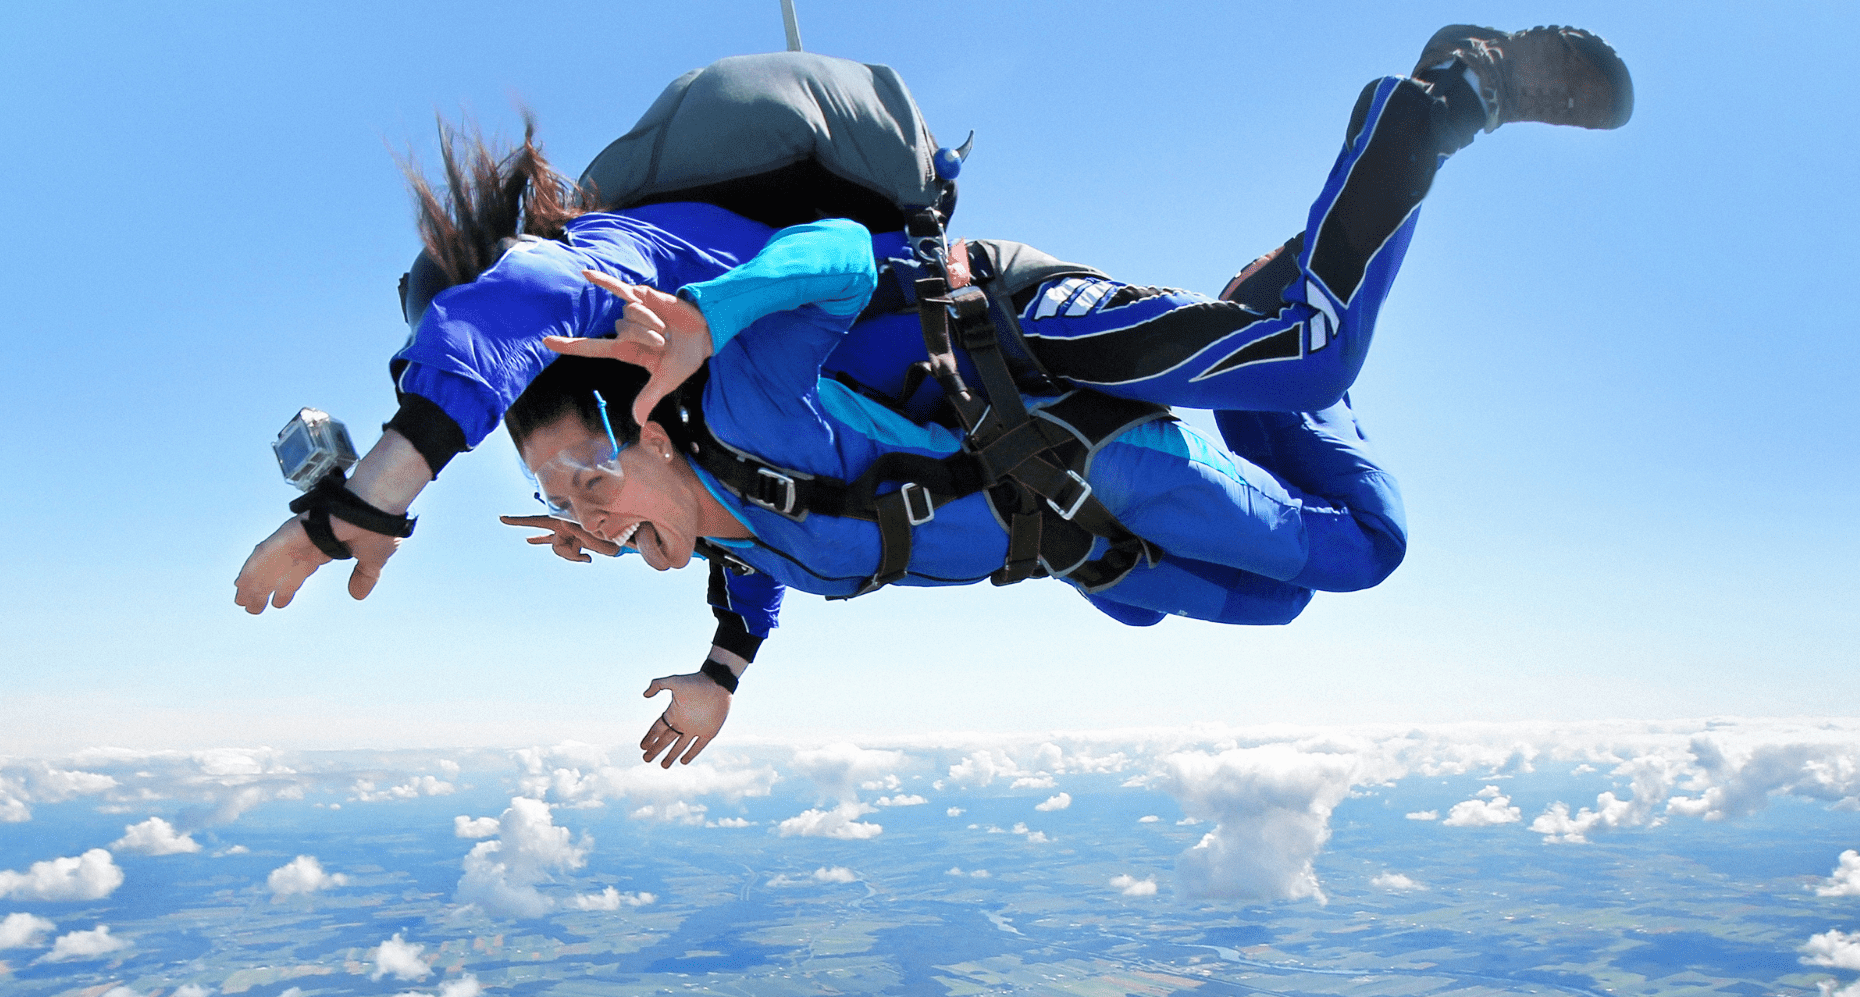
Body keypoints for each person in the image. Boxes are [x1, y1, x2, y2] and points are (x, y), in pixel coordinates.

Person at [231, 24, 1633, 623]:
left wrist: (378, 495)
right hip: (1075, 525)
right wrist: (716, 657)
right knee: (1304, 579)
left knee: (1304, 359)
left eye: (588, 478)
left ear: (637, 397)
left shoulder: (649, 297)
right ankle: (1275, 319)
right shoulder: (730, 500)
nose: (589, 521)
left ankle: (1438, 100)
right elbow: (773, 542)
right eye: (577, 508)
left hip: (1007, 335)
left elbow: (525, 307)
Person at [510, 216, 1406, 767]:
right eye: (558, 502)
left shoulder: (748, 409)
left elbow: (845, 257)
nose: (584, 520)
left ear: (655, 432)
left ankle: (1290, 317)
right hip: (1069, 544)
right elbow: (755, 568)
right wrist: (718, 678)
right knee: (1275, 604)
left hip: (1088, 462)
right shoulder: (728, 539)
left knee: (1363, 552)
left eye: (589, 480)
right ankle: (1262, 404)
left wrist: (717, 309)